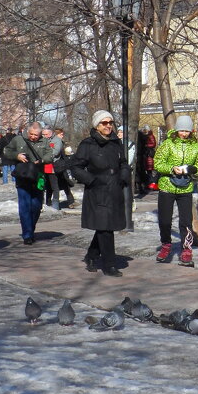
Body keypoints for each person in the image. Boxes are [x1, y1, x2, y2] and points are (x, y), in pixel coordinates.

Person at [71, 110, 129, 277]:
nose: (108, 126)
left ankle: (91, 256)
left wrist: (124, 174)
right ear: (97, 126)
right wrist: (92, 180)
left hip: (115, 190)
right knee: (106, 229)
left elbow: (123, 162)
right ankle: (109, 265)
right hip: (97, 192)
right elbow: (76, 167)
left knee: (106, 227)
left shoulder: (116, 143)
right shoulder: (87, 144)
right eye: (104, 123)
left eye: (110, 122)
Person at [152, 114, 198, 266]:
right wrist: (171, 169)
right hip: (167, 186)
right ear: (176, 130)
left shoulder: (196, 147)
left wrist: (193, 169)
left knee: (186, 221)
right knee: (164, 220)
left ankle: (186, 250)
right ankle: (166, 245)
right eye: (181, 130)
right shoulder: (168, 144)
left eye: (187, 131)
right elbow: (158, 163)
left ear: (191, 131)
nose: (184, 134)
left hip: (186, 187)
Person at [1, 121, 54, 245]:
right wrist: (17, 156)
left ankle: (30, 228)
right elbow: (6, 151)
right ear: (27, 131)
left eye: (36, 135)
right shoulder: (18, 139)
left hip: (38, 177)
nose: (34, 137)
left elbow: (50, 155)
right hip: (23, 176)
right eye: (32, 134)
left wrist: (41, 160)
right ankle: (27, 234)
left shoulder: (45, 141)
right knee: (25, 206)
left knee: (36, 206)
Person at [52, 127, 75, 207]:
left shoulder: (59, 142)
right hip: (58, 165)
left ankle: (70, 201)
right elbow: (57, 153)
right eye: (61, 134)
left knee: (64, 183)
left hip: (61, 165)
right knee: (58, 184)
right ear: (57, 134)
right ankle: (68, 201)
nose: (62, 135)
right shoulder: (57, 142)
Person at [43, 126, 62, 210]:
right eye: (43, 134)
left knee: (54, 185)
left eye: (45, 134)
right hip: (45, 165)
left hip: (53, 165)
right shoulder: (43, 140)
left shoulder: (57, 140)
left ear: (50, 133)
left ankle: (55, 204)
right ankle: (47, 202)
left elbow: (56, 152)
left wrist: (46, 155)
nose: (44, 135)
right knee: (47, 185)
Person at [135, 124, 157, 196]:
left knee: (148, 172)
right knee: (146, 172)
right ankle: (146, 185)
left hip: (147, 156)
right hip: (145, 157)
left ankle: (149, 185)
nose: (145, 132)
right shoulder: (143, 137)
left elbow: (153, 144)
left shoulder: (149, 136)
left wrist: (146, 146)